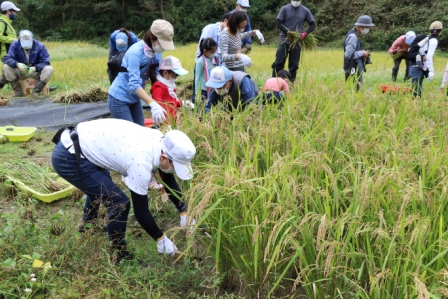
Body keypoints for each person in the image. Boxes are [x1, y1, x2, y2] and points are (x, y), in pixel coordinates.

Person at [51, 118, 196, 263]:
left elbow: (167, 175)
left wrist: (184, 210)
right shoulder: (140, 162)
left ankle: (89, 225)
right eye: (175, 166)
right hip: (68, 156)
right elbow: (141, 211)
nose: (174, 170)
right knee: (118, 202)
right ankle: (119, 255)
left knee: (102, 186)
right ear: (164, 157)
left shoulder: (159, 140)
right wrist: (160, 238)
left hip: (86, 145)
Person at [108, 19, 175, 126]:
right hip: (119, 99)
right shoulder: (135, 53)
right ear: (152, 38)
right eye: (162, 43)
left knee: (141, 132)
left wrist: (169, 90)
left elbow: (157, 77)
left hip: (135, 99)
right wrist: (152, 104)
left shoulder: (156, 52)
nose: (163, 48)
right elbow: (134, 85)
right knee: (129, 135)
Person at [271, 0, 316, 83]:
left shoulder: (305, 10)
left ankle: (291, 83)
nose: (296, 1)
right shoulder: (284, 9)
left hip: (297, 41)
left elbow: (313, 24)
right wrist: (287, 32)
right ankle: (274, 82)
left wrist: (305, 33)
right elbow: (278, 24)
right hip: (284, 40)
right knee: (279, 62)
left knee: (294, 64)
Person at [2, 30, 54, 97]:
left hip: (35, 71)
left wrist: (35, 68)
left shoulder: (40, 46)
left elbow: (46, 62)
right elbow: (7, 58)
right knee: (6, 67)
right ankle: (18, 92)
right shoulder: (15, 44)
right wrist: (17, 64)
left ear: (32, 39)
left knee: (49, 69)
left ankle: (36, 91)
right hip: (20, 71)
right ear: (19, 40)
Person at [150, 55, 190, 124]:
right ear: (165, 73)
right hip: (164, 125)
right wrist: (166, 125)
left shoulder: (168, 87)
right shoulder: (158, 88)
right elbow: (159, 110)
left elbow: (171, 104)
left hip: (172, 122)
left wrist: (182, 103)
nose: (176, 78)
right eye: (175, 75)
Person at [409, 21, 443, 97]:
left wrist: (423, 54)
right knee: (416, 95)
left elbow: (419, 48)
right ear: (440, 31)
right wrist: (431, 71)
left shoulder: (426, 38)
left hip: (413, 67)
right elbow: (429, 57)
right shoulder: (434, 41)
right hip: (418, 68)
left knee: (417, 93)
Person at [343, 15, 375, 91]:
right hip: (352, 67)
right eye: (367, 27)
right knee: (354, 89)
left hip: (355, 66)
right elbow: (348, 55)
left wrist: (363, 54)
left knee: (357, 87)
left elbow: (354, 51)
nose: (368, 29)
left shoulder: (355, 34)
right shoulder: (353, 36)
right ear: (360, 26)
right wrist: (362, 53)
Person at [0, 1, 20, 90]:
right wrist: (12, 40)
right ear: (8, 11)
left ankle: (42, 85)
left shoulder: (8, 23)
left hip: (12, 52)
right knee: (12, 71)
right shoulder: (2, 22)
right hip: (6, 53)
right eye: (14, 11)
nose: (15, 14)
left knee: (6, 74)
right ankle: (19, 91)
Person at [193, 38, 218, 103]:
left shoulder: (215, 58)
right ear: (205, 51)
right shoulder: (200, 61)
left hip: (214, 87)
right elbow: (197, 78)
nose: (214, 53)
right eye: (212, 52)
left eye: (215, 51)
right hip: (204, 89)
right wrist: (196, 93)